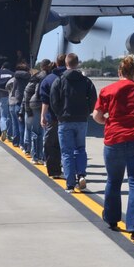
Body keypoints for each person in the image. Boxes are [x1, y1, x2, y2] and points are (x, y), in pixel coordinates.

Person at [93, 56, 134, 238]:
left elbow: (96, 115)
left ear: (119, 72)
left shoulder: (108, 89)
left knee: (113, 180)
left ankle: (111, 218)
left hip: (114, 139)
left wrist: (107, 121)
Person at [50, 53, 97, 192]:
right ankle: (81, 174)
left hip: (65, 120)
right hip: (81, 120)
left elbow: (53, 100)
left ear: (66, 63)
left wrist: (60, 114)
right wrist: (87, 111)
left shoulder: (59, 81)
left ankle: (70, 184)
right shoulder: (86, 81)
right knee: (80, 148)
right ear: (77, 64)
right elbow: (93, 99)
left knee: (67, 152)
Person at [39, 54, 67, 179]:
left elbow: (45, 100)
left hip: (53, 117)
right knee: (71, 146)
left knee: (51, 144)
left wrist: (43, 116)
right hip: (72, 117)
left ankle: (54, 170)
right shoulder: (78, 77)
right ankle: (75, 172)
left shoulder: (48, 79)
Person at [25, 60, 52, 164]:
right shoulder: (53, 77)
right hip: (49, 105)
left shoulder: (36, 77)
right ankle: (46, 157)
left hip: (36, 104)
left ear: (41, 67)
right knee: (47, 133)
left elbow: (27, 92)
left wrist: (27, 109)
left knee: (36, 132)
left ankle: (36, 157)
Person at [7, 62, 31, 148]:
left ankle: (16, 142)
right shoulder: (29, 77)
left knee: (15, 124)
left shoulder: (16, 77)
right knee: (23, 124)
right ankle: (23, 143)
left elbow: (13, 90)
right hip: (25, 102)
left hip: (16, 102)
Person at [0, 60, 14, 141]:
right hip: (11, 97)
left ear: (2, 67)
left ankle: (3, 129)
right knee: (9, 116)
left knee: (3, 115)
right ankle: (9, 134)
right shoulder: (12, 74)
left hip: (2, 96)